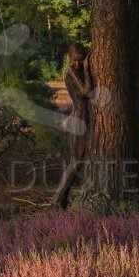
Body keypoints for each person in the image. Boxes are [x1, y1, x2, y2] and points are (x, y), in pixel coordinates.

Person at [54, 42, 92, 209]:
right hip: (78, 119)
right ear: (69, 59)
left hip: (83, 118)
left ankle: (61, 198)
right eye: (75, 60)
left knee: (80, 160)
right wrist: (86, 69)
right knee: (76, 161)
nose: (77, 63)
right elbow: (87, 91)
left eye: (81, 60)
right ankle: (57, 198)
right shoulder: (71, 72)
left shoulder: (76, 71)